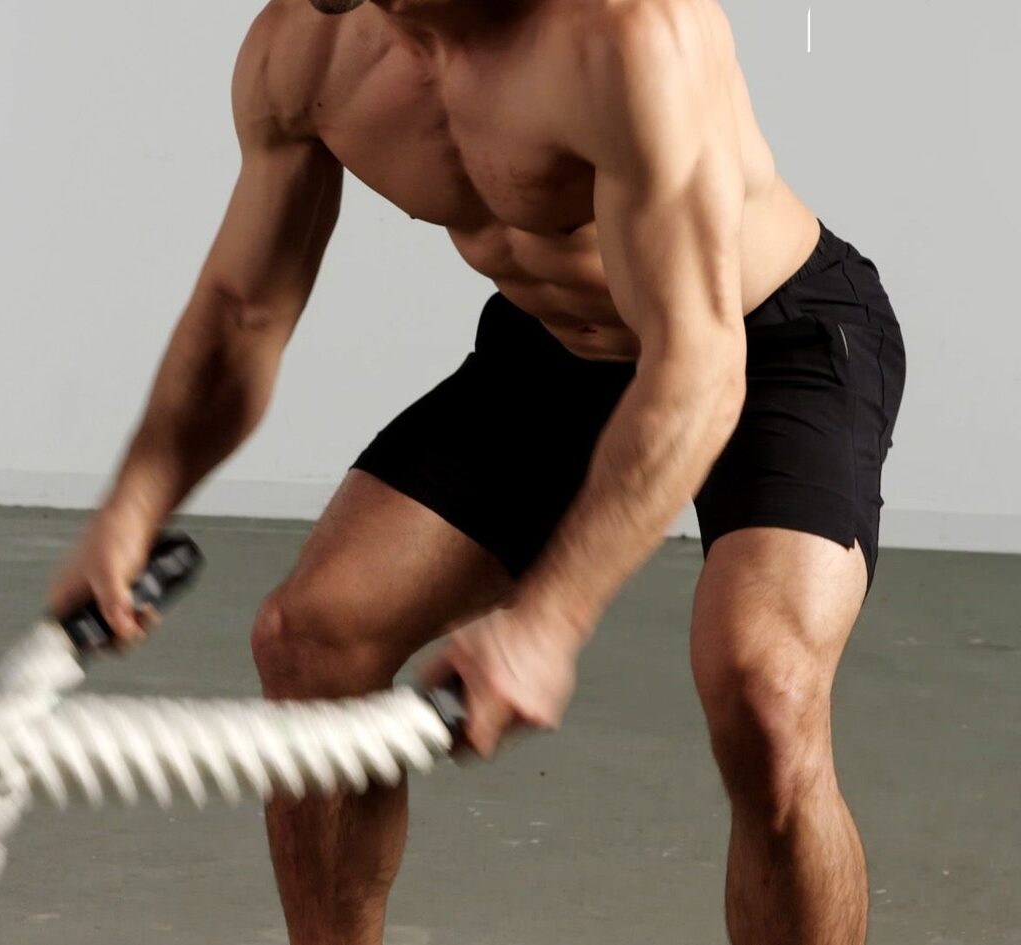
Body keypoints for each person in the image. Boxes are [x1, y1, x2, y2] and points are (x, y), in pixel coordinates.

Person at [46, 1, 905, 942]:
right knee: (311, 641)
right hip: (556, 354)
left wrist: (547, 624)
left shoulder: (624, 33)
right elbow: (242, 312)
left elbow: (700, 371)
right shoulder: (305, 50)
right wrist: (134, 504)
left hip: (767, 337)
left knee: (763, 690)